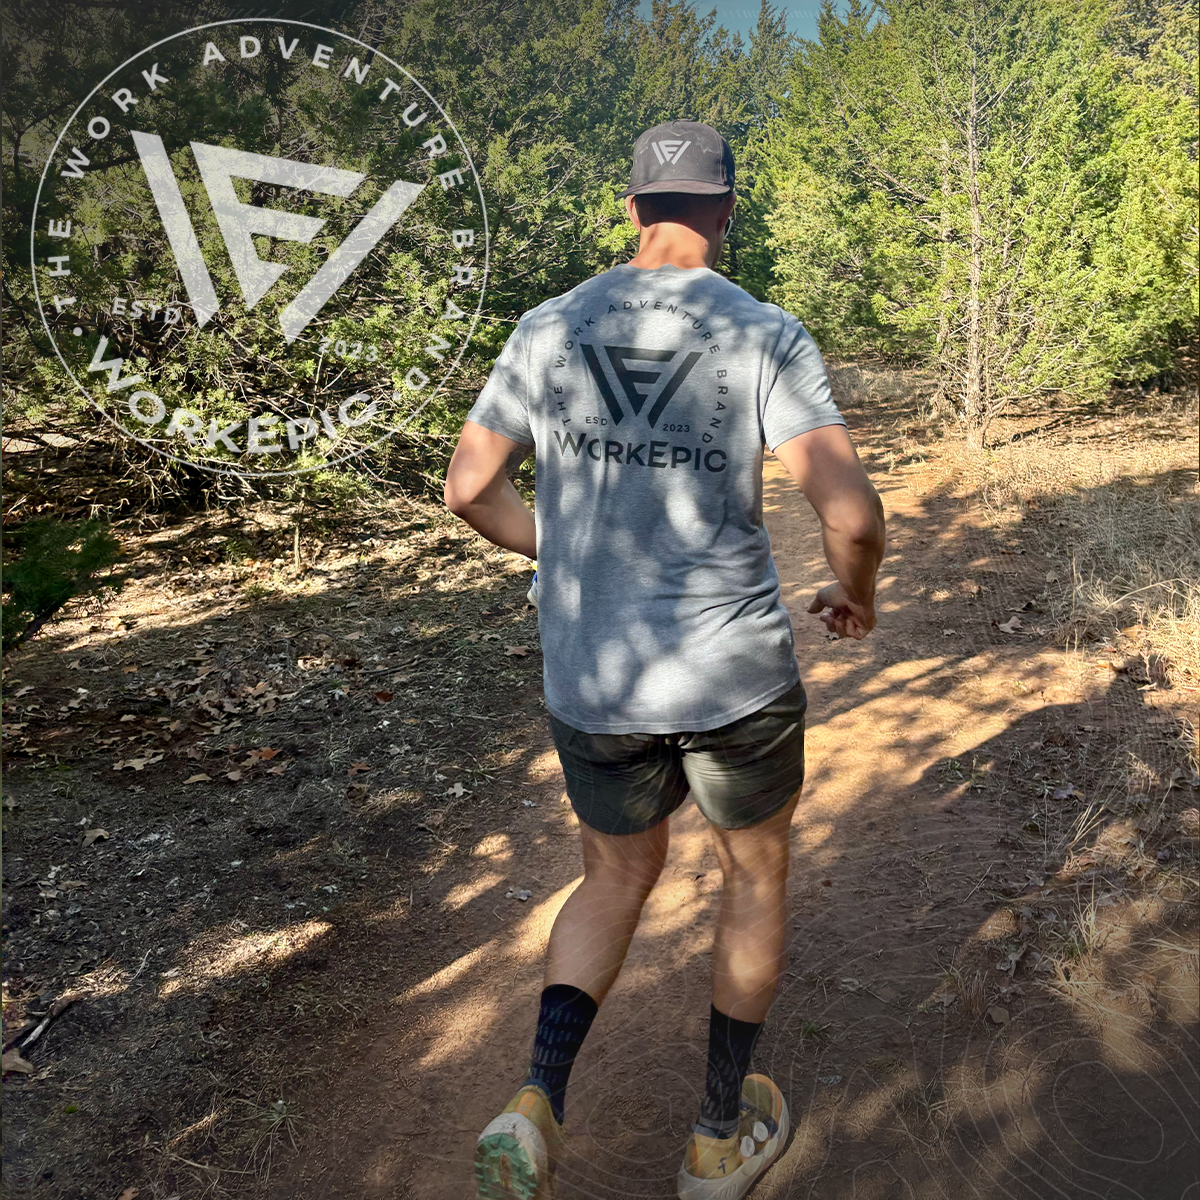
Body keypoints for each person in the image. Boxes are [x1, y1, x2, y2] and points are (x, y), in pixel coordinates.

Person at [444, 119, 886, 1200]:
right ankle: (714, 1139)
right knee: (754, 871)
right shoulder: (764, 332)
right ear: (727, 214)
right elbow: (854, 516)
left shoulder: (550, 327)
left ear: (631, 209)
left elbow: (467, 488)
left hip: (596, 676)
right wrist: (855, 596)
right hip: (732, 677)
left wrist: (572, 551)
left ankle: (536, 1099)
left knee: (615, 874)